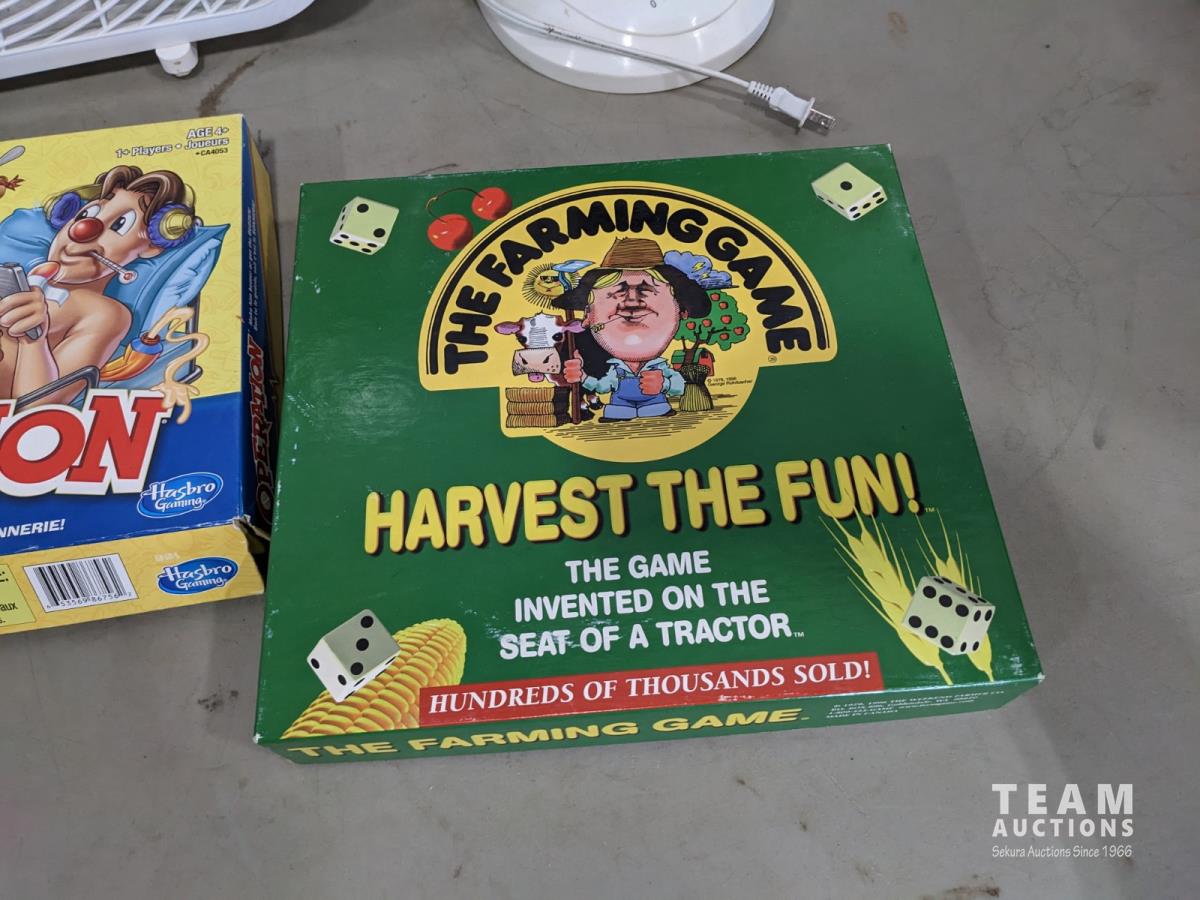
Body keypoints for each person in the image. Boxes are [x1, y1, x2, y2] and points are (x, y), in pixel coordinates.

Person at [0, 165, 195, 406]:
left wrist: (33, 339)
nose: (83, 230)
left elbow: (37, 408)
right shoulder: (19, 278)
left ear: (150, 248)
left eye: (119, 225)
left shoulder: (104, 314)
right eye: (85, 215)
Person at [557, 237, 711, 422]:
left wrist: (664, 383)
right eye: (617, 292)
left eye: (647, 290)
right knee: (617, 412)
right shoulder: (614, 370)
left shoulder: (661, 368)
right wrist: (582, 377)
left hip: (657, 409)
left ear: (681, 311)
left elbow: (679, 386)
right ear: (588, 316)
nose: (631, 301)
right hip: (619, 407)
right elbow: (602, 386)